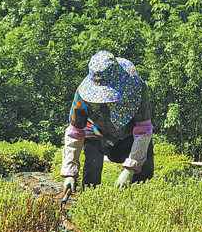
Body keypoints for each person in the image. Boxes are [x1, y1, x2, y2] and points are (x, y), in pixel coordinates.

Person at [61, 51, 154, 192]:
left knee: (144, 171)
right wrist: (70, 172)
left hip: (129, 135)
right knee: (92, 165)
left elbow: (143, 130)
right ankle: (90, 200)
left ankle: (134, 204)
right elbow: (74, 133)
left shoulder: (138, 88)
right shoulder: (82, 95)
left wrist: (130, 169)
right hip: (96, 133)